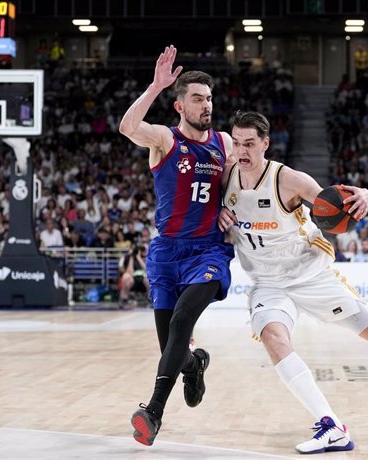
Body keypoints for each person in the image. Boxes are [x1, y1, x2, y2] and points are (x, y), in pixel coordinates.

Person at [218, 111, 368, 454]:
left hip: (311, 277)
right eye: (236, 142)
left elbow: (334, 202)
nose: (241, 150)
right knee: (273, 336)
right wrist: (217, 212)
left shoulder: (287, 179)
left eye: (249, 143)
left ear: (265, 144)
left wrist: (362, 193)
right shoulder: (226, 174)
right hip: (267, 284)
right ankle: (331, 426)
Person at [119, 45, 235, 446]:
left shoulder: (224, 142)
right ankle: (195, 363)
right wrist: (154, 86)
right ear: (180, 106)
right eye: (198, 99)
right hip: (166, 253)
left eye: (209, 99)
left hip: (208, 251)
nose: (207, 105)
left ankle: (152, 412)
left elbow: (251, 178)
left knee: (184, 319)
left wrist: (231, 207)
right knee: (172, 344)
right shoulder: (164, 140)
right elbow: (127, 127)